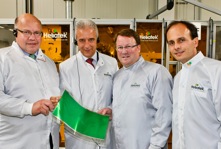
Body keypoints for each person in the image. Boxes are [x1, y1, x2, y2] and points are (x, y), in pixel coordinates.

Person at [0, 13, 60, 149]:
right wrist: (30, 107)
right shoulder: (3, 59)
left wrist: (57, 102)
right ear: (15, 33)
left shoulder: (49, 63)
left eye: (37, 33)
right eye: (26, 32)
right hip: (15, 143)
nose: (32, 38)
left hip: (48, 141)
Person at [59, 19, 118, 149]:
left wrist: (111, 108)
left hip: (106, 135)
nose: (87, 45)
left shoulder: (112, 63)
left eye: (91, 39)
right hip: (79, 140)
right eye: (82, 40)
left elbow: (118, 96)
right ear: (76, 41)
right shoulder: (66, 67)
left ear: (97, 39)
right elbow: (65, 105)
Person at [112, 28, 173, 149]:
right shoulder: (117, 76)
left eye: (128, 46)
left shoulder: (156, 72)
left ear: (138, 48)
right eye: (120, 47)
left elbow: (164, 115)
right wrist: (110, 109)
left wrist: (155, 146)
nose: (124, 51)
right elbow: (122, 105)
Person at [166, 20, 221, 149]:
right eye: (171, 43)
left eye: (181, 40)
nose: (176, 47)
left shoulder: (215, 70)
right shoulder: (178, 77)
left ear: (195, 41)